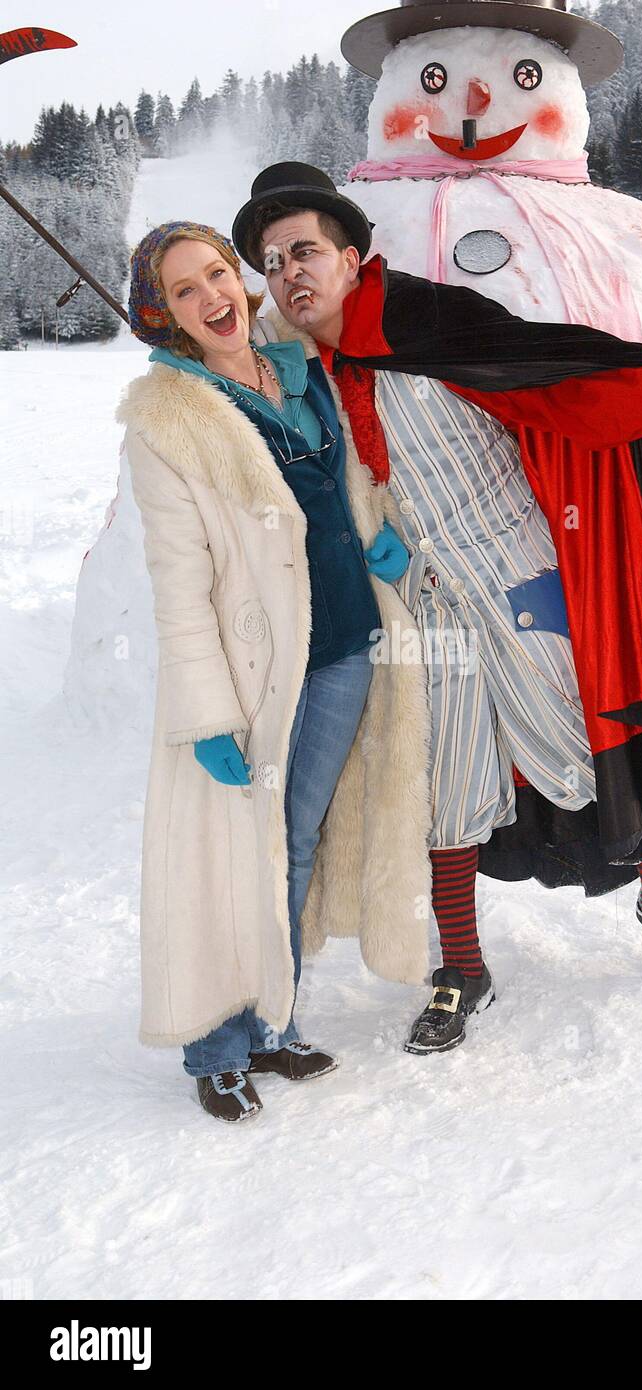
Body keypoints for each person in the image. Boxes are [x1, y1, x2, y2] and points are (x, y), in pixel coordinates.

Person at [233, 163, 642, 1055]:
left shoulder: (430, 319)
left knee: (606, 746)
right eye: (270, 260)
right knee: (445, 783)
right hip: (429, 607)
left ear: (348, 255)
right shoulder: (299, 377)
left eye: (303, 250)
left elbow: (563, 379)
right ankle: (462, 967)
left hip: (528, 583)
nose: (288, 272)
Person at [123, 220, 432, 1119]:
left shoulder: (295, 364)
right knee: (231, 851)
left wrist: (375, 528)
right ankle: (215, 1047)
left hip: (342, 647)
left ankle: (271, 1021)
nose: (211, 296)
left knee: (291, 846)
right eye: (184, 290)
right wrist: (204, 711)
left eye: (217, 273)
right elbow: (177, 585)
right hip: (253, 667)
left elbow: (347, 477)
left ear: (241, 277)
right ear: (163, 313)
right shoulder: (167, 420)